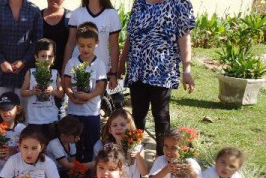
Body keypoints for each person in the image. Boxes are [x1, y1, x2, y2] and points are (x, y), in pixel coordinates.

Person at [119, 0, 196, 155]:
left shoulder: (180, 4)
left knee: (161, 116)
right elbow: (130, 36)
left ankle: (162, 159)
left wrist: (186, 71)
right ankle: (134, 157)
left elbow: (184, 38)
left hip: (162, 71)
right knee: (138, 114)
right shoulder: (139, 3)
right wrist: (121, 63)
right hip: (137, 68)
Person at [63, 22, 107, 163]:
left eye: (89, 46)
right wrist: (71, 96)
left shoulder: (99, 64)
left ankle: (88, 174)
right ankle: (75, 173)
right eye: (82, 46)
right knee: (74, 145)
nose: (85, 49)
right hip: (74, 111)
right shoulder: (72, 62)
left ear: (96, 43)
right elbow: (66, 83)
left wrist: (89, 96)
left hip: (92, 112)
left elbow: (100, 87)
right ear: (77, 44)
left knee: (91, 144)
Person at [0, 0, 43, 99]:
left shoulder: (34, 10)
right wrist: (1, 61)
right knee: (2, 109)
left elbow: (37, 41)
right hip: (0, 70)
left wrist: (23, 62)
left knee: (22, 110)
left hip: (24, 71)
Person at [63, 0, 120, 90]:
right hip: (77, 71)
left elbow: (114, 46)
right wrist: (64, 71)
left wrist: (114, 74)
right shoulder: (77, 13)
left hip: (100, 72)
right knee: (75, 102)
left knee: (96, 103)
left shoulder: (111, 14)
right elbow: (70, 43)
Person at [21, 38, 63, 136]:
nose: (46, 59)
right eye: (43, 56)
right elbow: (22, 92)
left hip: (51, 118)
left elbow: (61, 94)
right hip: (34, 119)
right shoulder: (31, 73)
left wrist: (53, 91)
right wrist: (33, 91)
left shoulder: (55, 73)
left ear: (54, 58)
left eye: (50, 56)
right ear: (36, 57)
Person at [94, 109, 148, 178]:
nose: (118, 128)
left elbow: (144, 172)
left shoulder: (138, 148)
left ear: (129, 128)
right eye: (115, 125)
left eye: (123, 125)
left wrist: (138, 156)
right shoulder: (106, 148)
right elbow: (99, 166)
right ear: (110, 130)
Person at [42, 0, 71, 120]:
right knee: (40, 106)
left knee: (59, 108)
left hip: (61, 70)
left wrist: (64, 72)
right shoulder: (37, 16)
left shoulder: (70, 18)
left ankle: (59, 137)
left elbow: (71, 45)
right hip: (41, 71)